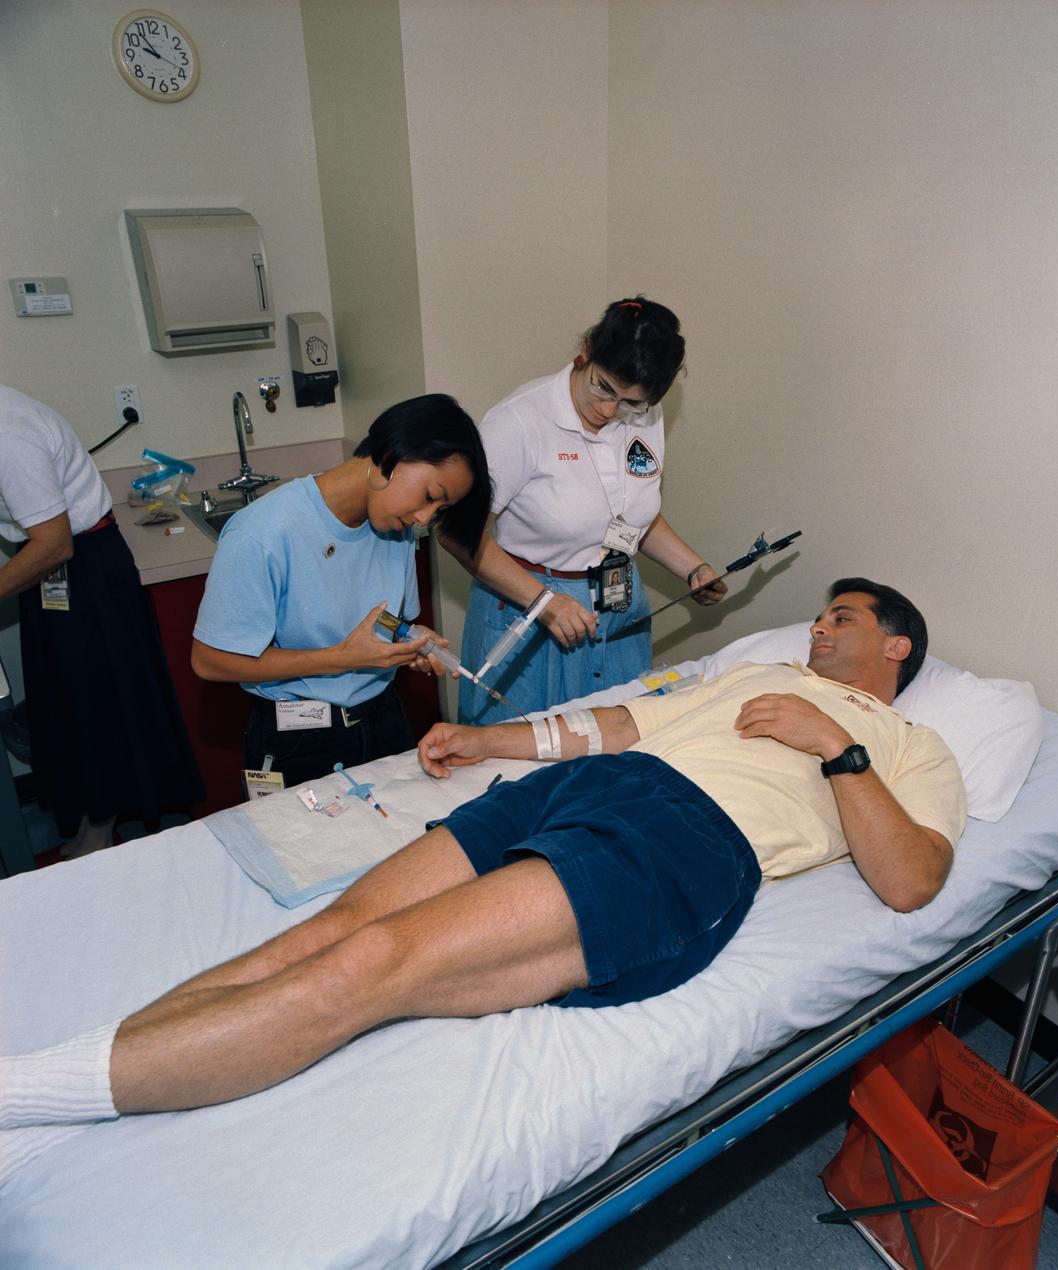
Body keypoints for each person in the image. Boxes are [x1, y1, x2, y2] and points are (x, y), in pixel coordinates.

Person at [0, 579, 964, 1183]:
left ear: (896, 647)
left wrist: (836, 748)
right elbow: (613, 726)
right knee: (326, 931)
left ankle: (23, 1094)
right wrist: (487, 741)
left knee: (377, 963)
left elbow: (912, 880)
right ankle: (60, 1108)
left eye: (842, 617)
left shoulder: (910, 746)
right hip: (597, 784)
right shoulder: (747, 679)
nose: (818, 627)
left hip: (689, 837)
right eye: (820, 614)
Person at [442, 296, 728, 725]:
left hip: (616, 604)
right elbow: (455, 532)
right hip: (531, 608)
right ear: (585, 351)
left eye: (631, 402)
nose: (609, 410)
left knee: (618, 737)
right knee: (522, 747)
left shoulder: (645, 415)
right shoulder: (520, 421)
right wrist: (543, 602)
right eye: (603, 387)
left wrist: (693, 568)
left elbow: (628, 516)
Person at [191, 394, 491, 790]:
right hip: (297, 739)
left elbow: (389, 620)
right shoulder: (264, 533)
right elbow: (210, 660)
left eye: (439, 510)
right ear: (394, 455)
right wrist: (339, 659)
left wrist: (410, 640)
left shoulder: (395, 528)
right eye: (430, 496)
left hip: (384, 720)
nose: (423, 518)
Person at [0, 384, 203, 857]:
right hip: (54, 568)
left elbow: (54, 543)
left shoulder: (9, 431)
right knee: (66, 705)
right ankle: (87, 821)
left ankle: (99, 830)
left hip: (82, 568)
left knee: (96, 707)